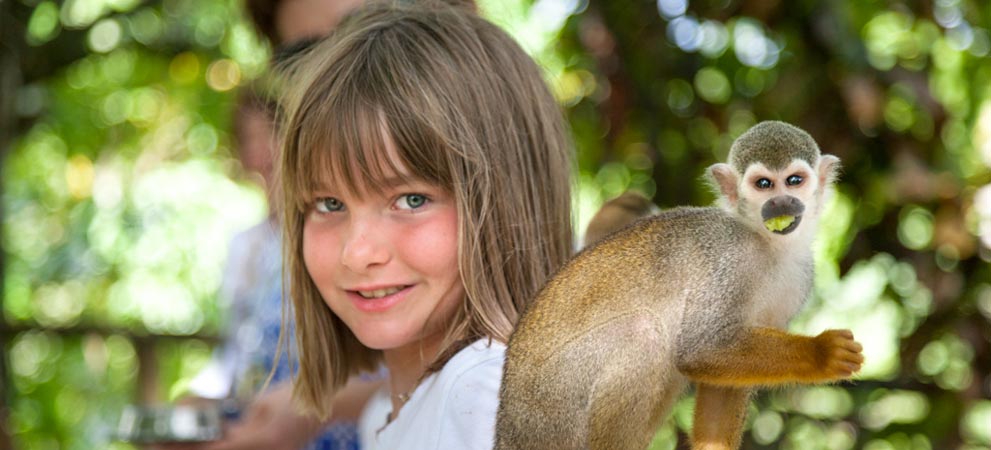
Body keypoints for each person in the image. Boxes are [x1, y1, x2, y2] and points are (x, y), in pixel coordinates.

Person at [277, 1, 574, 448]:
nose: (357, 253)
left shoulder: (483, 394)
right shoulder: (388, 408)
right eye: (328, 204)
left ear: (504, 206)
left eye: (411, 200)